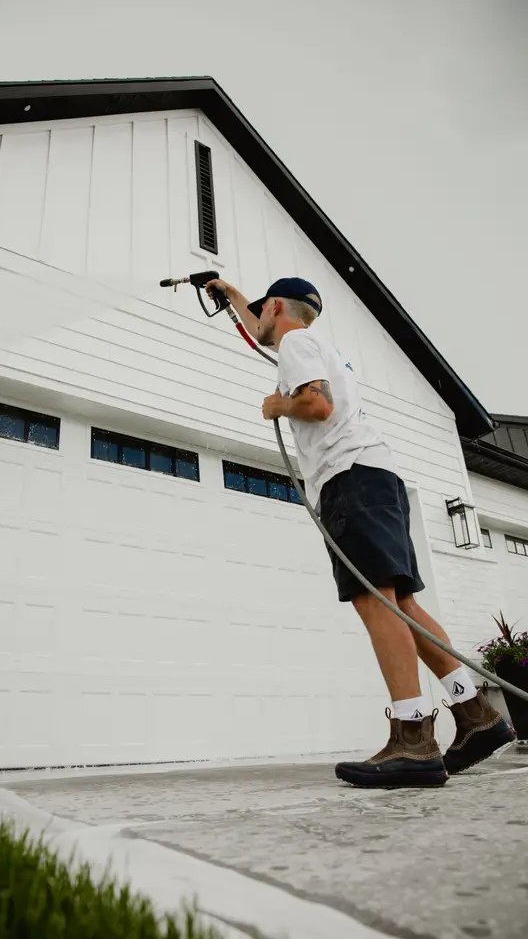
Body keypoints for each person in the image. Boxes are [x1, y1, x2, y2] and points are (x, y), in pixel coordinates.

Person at [206, 275, 515, 788]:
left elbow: (316, 405)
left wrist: (277, 405)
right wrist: (232, 295)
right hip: (375, 476)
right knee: (401, 603)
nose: (255, 321)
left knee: (377, 601)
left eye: (261, 310)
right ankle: (476, 715)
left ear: (278, 306)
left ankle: (413, 739)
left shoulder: (296, 343)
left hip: (349, 478)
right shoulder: (313, 341)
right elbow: (264, 330)